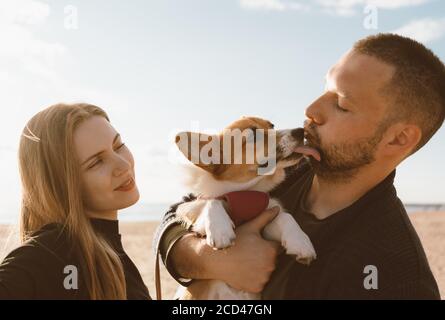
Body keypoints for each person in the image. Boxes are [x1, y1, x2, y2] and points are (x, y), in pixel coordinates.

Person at [154, 33, 443, 299]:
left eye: (341, 104)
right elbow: (176, 215)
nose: (311, 110)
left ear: (398, 139)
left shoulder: (398, 278)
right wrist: (208, 258)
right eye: (323, 89)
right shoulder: (286, 169)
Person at [0, 103, 151, 299]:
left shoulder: (106, 249)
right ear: (60, 184)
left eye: (118, 146)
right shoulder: (48, 255)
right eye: (96, 162)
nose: (123, 165)